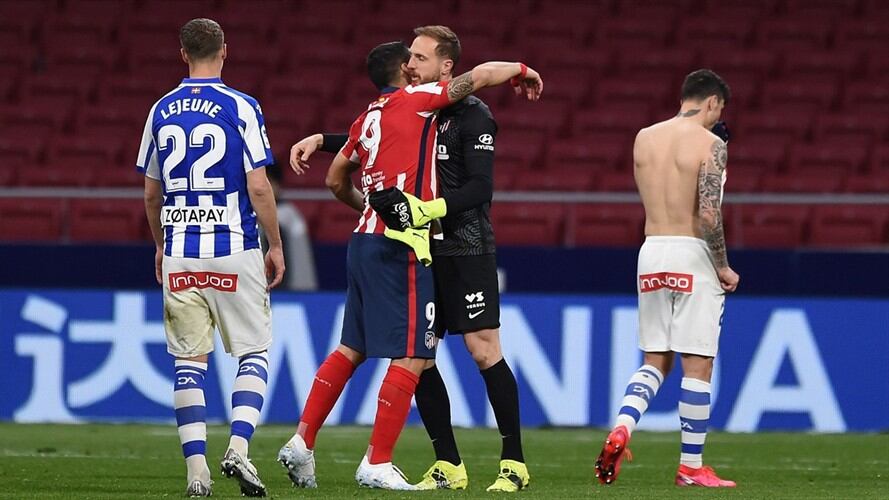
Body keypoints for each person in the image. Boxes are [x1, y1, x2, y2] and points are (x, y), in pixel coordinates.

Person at [276, 41, 541, 491]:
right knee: (419, 356)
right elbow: (472, 80)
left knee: (469, 350)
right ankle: (434, 463)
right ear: (401, 69)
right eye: (410, 58)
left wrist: (324, 143)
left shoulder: (453, 113)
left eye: (422, 57)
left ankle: (512, 462)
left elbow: (479, 185)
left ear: (444, 65)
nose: (415, 65)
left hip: (461, 244)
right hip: (411, 244)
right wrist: (520, 68)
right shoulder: (415, 103)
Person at [136, 18, 284, 497]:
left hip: (181, 252)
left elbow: (151, 190)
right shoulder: (242, 106)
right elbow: (259, 184)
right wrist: (275, 244)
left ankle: (196, 469)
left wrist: (161, 244)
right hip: (234, 248)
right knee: (253, 352)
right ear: (225, 51)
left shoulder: (160, 109)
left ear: (183, 54)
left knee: (188, 363)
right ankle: (238, 447)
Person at [594, 69, 739, 488]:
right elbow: (709, 214)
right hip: (692, 252)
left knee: (654, 359)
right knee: (698, 364)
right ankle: (691, 468)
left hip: (652, 250)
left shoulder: (644, 137)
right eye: (719, 110)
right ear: (712, 102)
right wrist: (723, 266)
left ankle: (622, 426)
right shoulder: (710, 144)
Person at [262, 163, 318, 290]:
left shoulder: (288, 214)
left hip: (293, 290)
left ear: (278, 185)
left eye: (269, 182)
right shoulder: (245, 214)